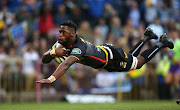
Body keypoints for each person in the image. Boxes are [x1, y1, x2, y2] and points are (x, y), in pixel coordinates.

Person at [36, 21, 174, 84]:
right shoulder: (59, 44)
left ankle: (162, 43)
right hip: (106, 57)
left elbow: (66, 64)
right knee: (132, 60)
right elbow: (44, 59)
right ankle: (147, 37)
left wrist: (50, 79)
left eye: (63, 32)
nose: (60, 34)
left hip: (112, 56)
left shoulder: (79, 47)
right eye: (60, 31)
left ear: (72, 34)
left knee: (137, 63)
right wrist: (53, 52)